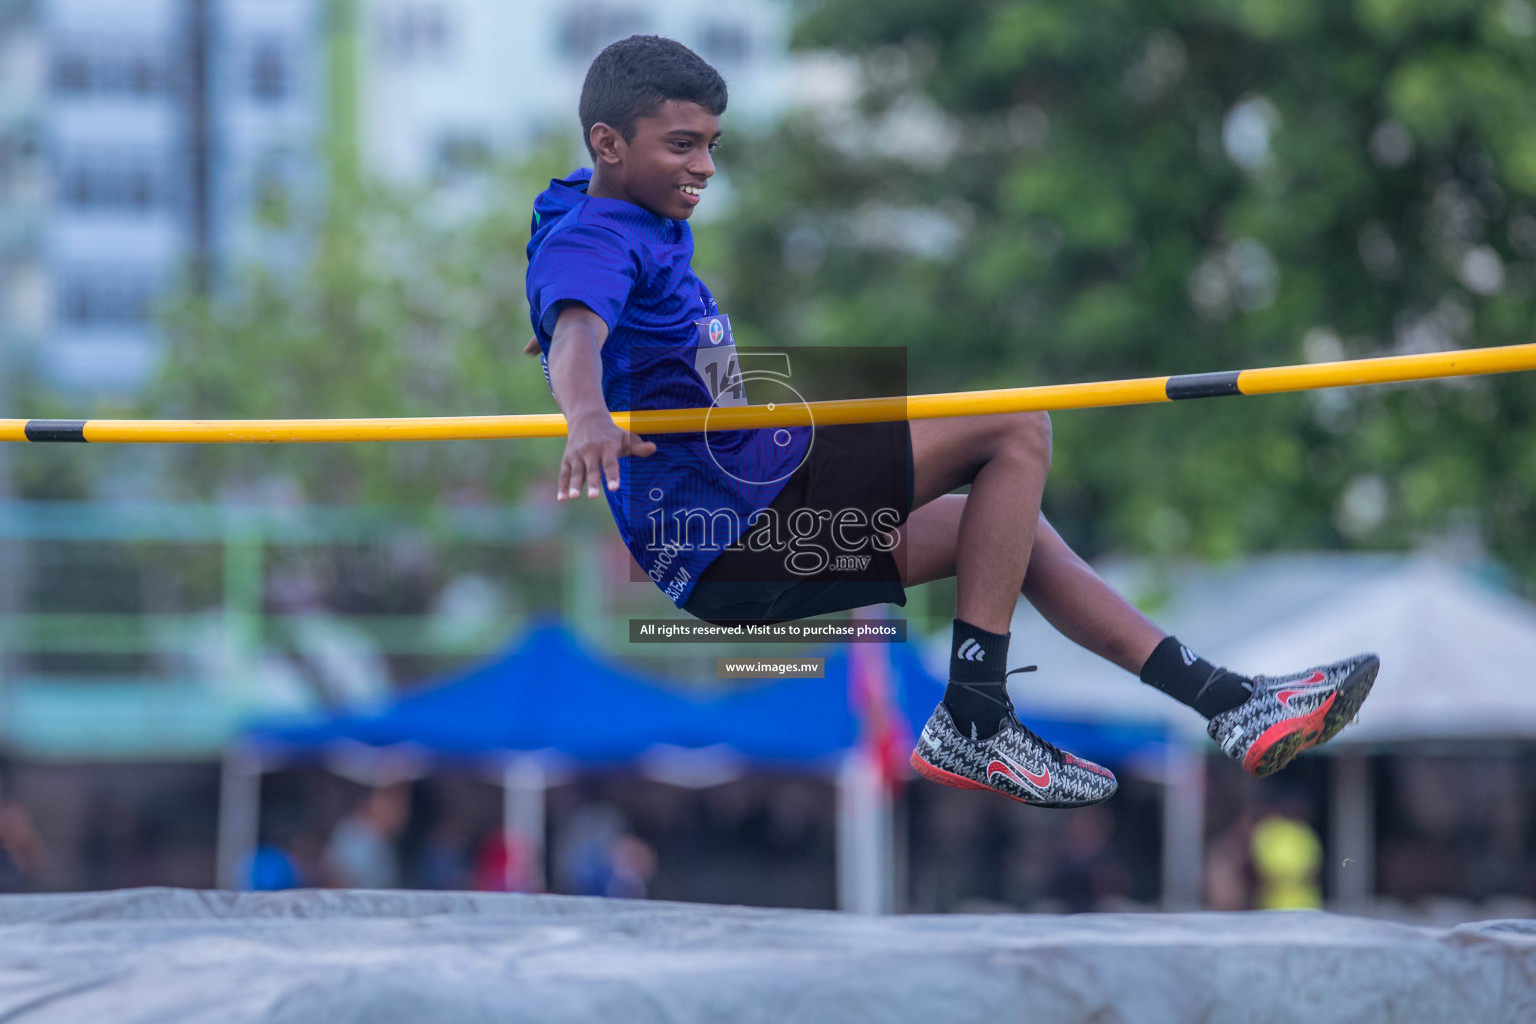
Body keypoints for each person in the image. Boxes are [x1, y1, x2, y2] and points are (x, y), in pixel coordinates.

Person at [524, 35, 1379, 810]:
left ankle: (1232, 705)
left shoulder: (599, 212)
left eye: (713, 143)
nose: (706, 165)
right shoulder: (598, 237)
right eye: (683, 145)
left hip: (733, 550)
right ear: (608, 144)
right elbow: (575, 330)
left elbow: (569, 280)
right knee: (1014, 426)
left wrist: (584, 335)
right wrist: (586, 409)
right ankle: (974, 715)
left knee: (1004, 533)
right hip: (743, 523)